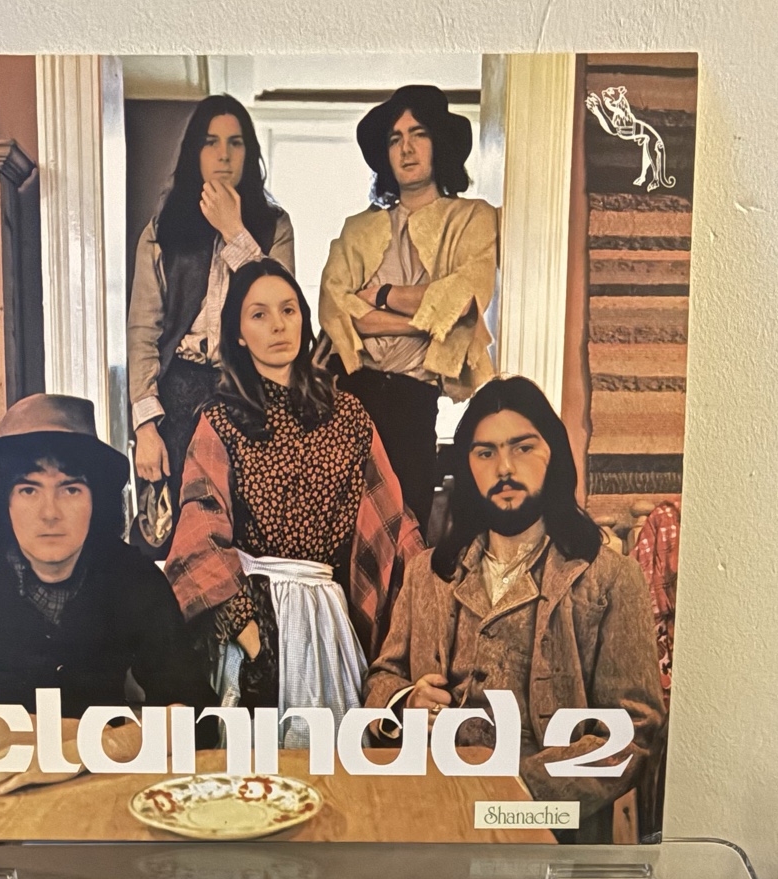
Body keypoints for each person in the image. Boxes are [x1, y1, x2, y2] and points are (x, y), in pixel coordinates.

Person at [362, 375, 665, 837]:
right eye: (485, 453)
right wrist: (405, 702)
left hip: (548, 826)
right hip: (436, 808)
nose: (504, 467)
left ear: (552, 455)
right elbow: (382, 678)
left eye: (523, 448)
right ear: (467, 466)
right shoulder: (428, 573)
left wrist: (519, 788)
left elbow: (636, 729)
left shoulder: (609, 578)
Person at [164, 258, 422, 718]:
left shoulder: (348, 415)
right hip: (251, 616)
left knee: (330, 747)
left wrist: (433, 577)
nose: (278, 325)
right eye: (258, 314)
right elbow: (199, 529)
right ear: (238, 333)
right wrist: (249, 632)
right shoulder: (220, 419)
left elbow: (392, 520)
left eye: (288, 310)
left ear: (304, 318)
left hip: (325, 617)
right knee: (252, 755)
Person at [0, 394, 207, 772]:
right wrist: (110, 737)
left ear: (96, 502)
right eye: (28, 490)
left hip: (100, 780)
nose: (50, 513)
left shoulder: (133, 577)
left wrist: (89, 750)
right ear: (5, 503)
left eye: (70, 489)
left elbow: (196, 716)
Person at [318, 84, 498, 525]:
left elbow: (463, 299)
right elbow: (337, 307)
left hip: (414, 399)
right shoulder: (357, 228)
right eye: (395, 138)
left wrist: (383, 297)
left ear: (439, 143)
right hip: (349, 393)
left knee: (405, 524)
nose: (406, 148)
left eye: (418, 134)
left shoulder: (473, 218)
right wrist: (427, 319)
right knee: (339, 523)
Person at [126, 96, 296, 552]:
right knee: (178, 535)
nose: (224, 155)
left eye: (235, 143)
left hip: (250, 394)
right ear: (194, 153)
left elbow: (281, 306)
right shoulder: (162, 231)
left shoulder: (274, 227)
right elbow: (143, 331)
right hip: (178, 395)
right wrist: (146, 428)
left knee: (247, 534)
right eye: (211, 142)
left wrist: (235, 231)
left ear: (249, 152)